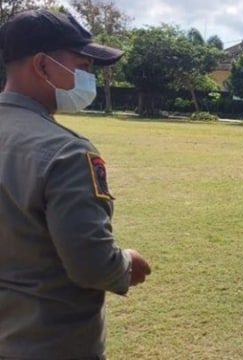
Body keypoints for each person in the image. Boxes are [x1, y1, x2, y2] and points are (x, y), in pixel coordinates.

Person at [0, 9, 151, 360]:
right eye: (82, 67)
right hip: (47, 343)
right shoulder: (64, 151)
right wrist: (127, 264)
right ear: (41, 66)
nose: (88, 78)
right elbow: (90, 263)